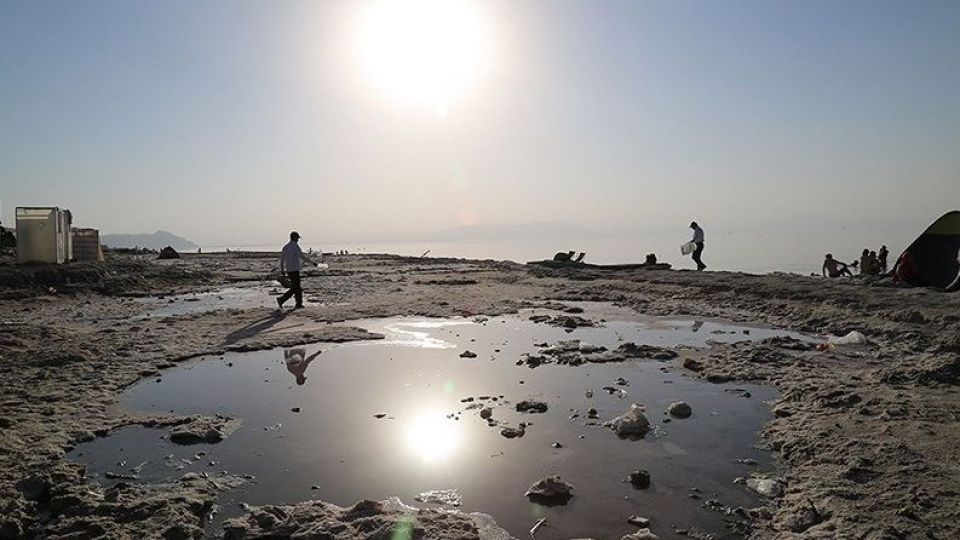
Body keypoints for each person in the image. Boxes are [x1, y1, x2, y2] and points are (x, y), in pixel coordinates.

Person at [277, 231, 319, 309]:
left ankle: (284, 300)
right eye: (297, 238)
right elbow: (302, 257)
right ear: (295, 238)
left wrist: (282, 269)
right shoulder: (295, 247)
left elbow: (282, 260)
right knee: (297, 288)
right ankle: (295, 303)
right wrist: (312, 263)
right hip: (294, 269)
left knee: (295, 287)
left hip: (289, 270)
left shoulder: (285, 247)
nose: (298, 240)